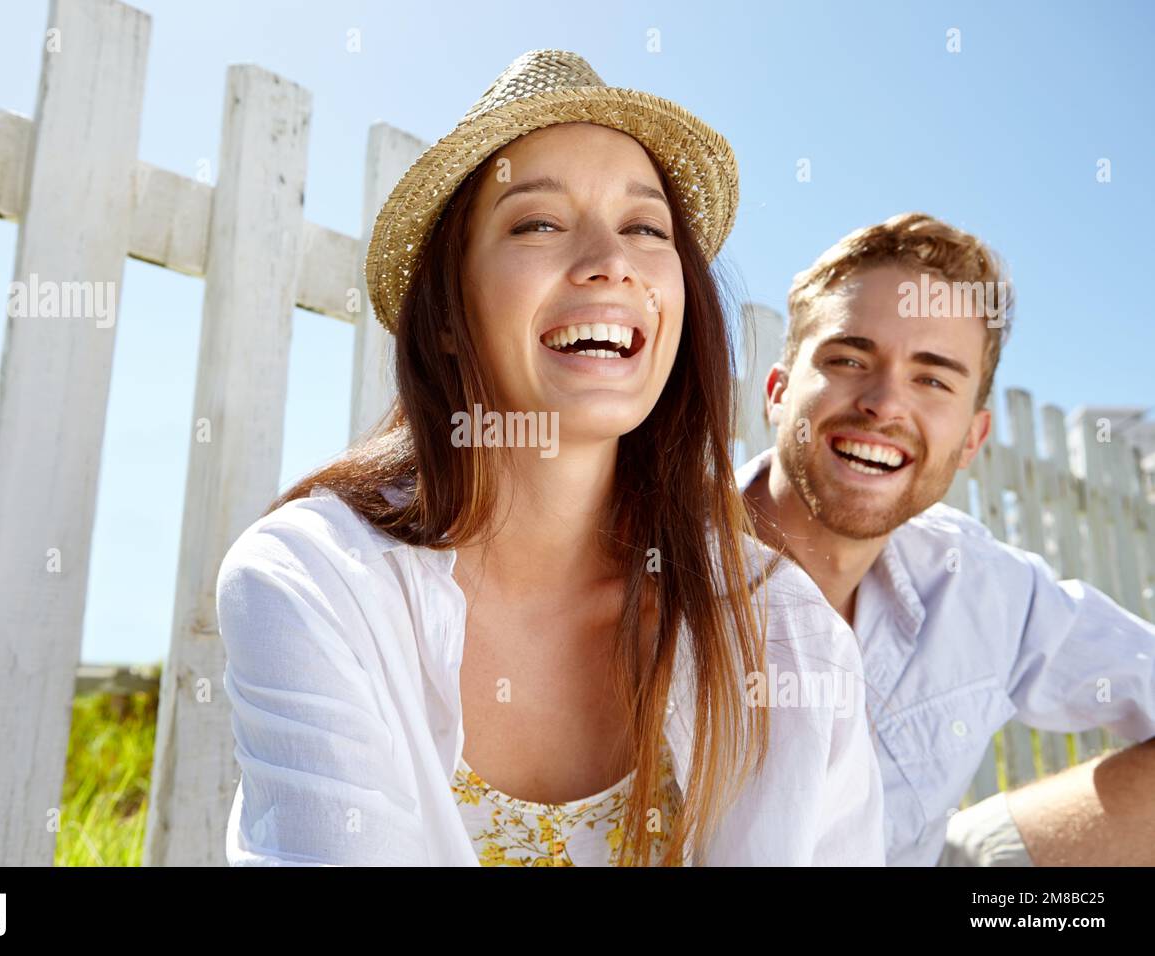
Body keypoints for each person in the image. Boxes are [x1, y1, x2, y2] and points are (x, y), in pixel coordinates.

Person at [216, 48, 883, 866]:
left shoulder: (788, 630)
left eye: (645, 227)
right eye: (537, 222)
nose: (612, 260)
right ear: (449, 317)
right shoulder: (312, 581)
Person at [738, 212, 1155, 866]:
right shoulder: (648, 563)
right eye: (849, 359)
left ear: (972, 440)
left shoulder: (977, 582)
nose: (884, 403)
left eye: (932, 379)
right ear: (778, 391)